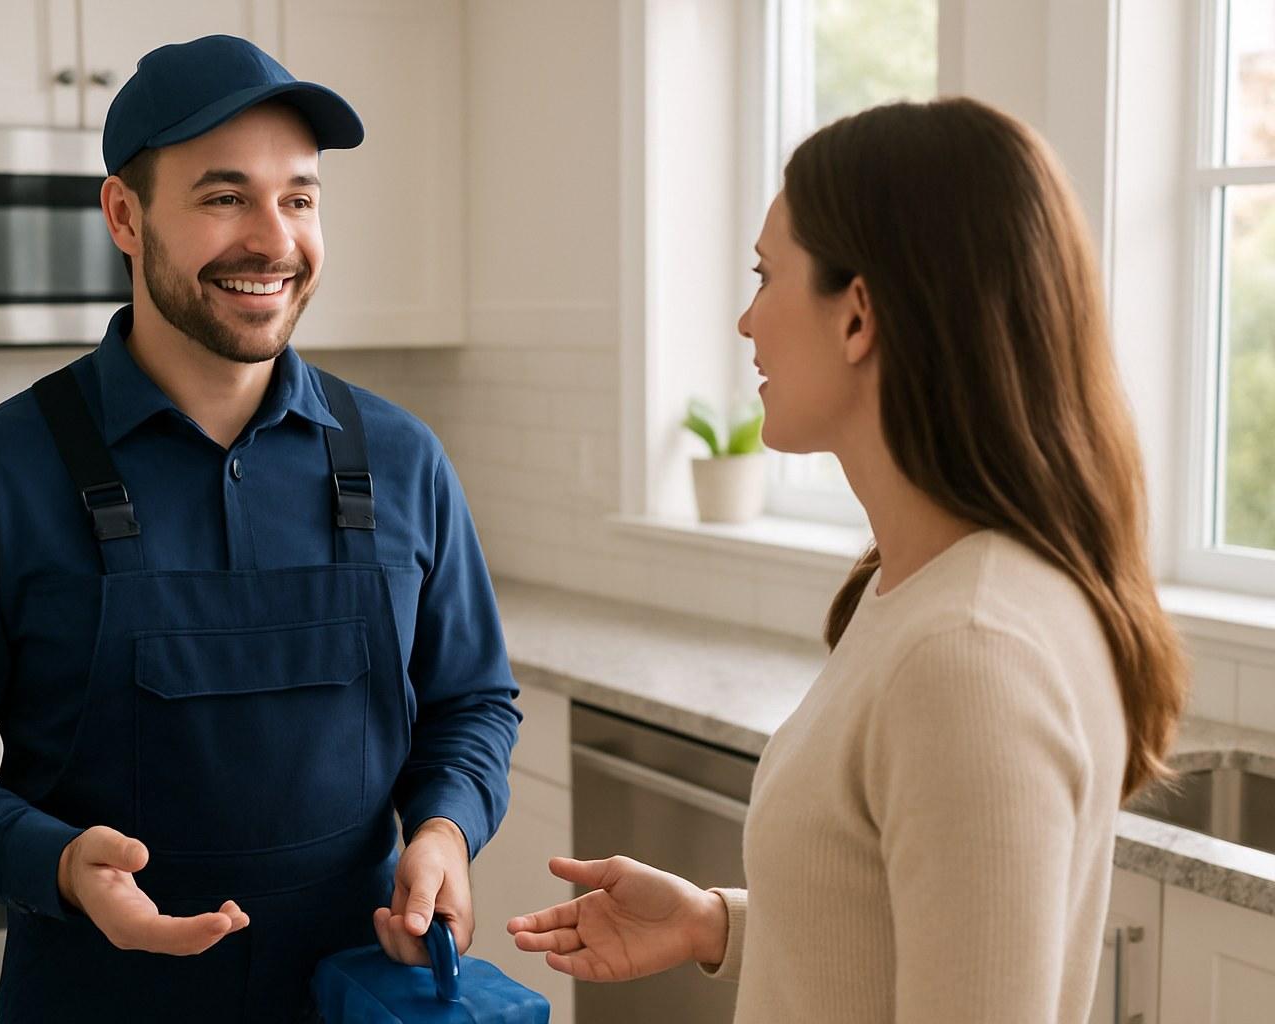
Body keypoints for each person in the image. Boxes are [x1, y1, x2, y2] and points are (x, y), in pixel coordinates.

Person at [0, 34, 520, 1022]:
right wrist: (59, 862)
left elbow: (474, 701)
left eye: (298, 198)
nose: (273, 240)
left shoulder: (402, 458)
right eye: (225, 196)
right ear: (125, 215)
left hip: (359, 996)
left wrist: (446, 829)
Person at [507, 97, 1187, 1023]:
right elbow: (910, 939)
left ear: (858, 315)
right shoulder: (932, 592)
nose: (746, 321)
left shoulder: (969, 653)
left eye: (766, 276)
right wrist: (715, 925)